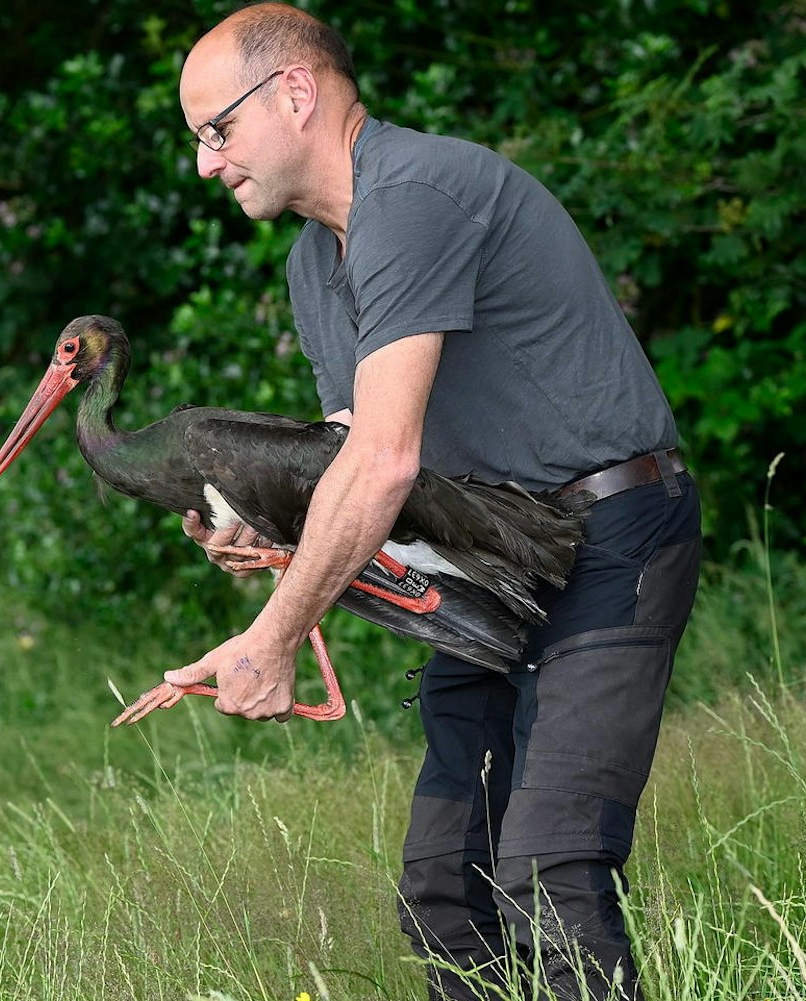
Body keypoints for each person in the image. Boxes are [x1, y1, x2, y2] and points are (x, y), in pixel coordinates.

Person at [162, 5, 703, 999]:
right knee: (445, 889)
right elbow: (347, 446)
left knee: (549, 868)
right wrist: (273, 528)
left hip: (610, 537)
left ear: (294, 92)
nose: (205, 163)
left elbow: (382, 461)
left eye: (216, 130)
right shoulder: (313, 259)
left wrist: (273, 637)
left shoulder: (413, 195)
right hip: (498, 554)